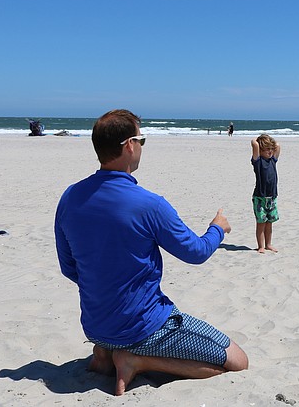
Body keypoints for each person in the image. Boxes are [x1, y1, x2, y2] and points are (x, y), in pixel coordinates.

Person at [54, 109, 248, 396]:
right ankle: (136, 359)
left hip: (95, 325)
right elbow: (196, 252)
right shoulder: (149, 205)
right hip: (143, 326)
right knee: (238, 361)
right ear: (129, 145)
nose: (142, 146)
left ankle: (107, 352)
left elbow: (69, 268)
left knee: (120, 330)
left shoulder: (70, 197)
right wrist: (217, 228)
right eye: (141, 139)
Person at [251, 134, 281, 253]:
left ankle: (268, 244)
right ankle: (261, 246)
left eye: (271, 149)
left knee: (269, 223)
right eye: (267, 149)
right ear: (261, 150)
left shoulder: (273, 160)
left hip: (272, 198)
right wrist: (258, 140)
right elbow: (254, 143)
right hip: (260, 198)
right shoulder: (258, 162)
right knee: (261, 223)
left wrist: (271, 144)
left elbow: (278, 146)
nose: (270, 151)